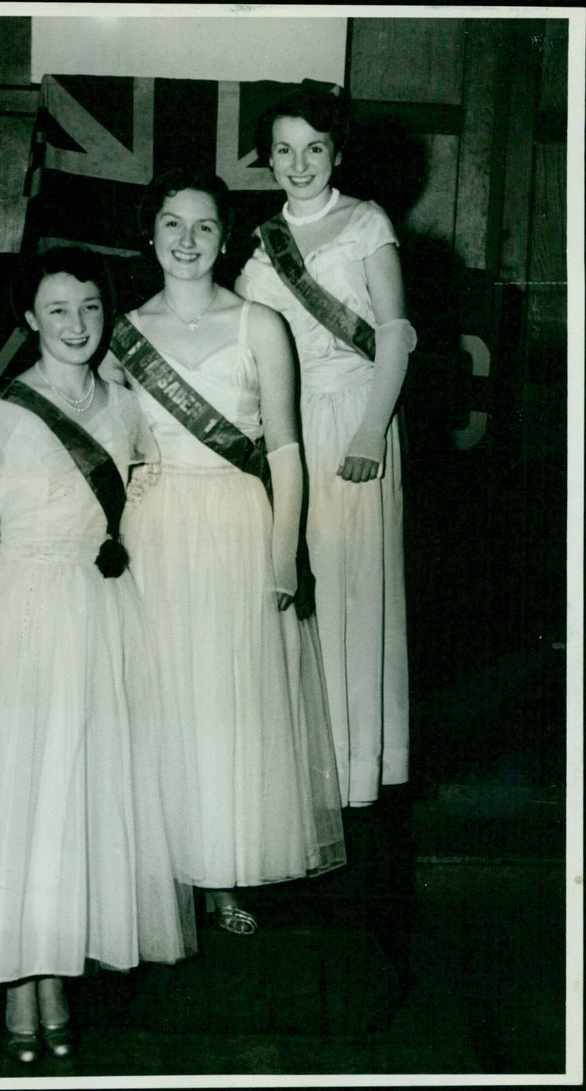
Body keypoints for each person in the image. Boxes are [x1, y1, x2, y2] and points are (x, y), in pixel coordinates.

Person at [0, 246, 194, 1065]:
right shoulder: (1, 412)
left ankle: (54, 975)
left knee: (77, 799)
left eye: (91, 308)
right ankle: (17, 981)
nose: (76, 325)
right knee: (20, 797)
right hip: (18, 613)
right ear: (30, 318)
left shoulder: (128, 407)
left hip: (100, 617)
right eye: (58, 309)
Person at [100, 167, 346, 935]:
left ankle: (221, 872)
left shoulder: (259, 325)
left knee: (227, 703)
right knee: (161, 699)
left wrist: (283, 561)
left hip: (239, 527)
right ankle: (163, 870)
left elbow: (286, 455)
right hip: (158, 530)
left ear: (225, 237)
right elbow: (101, 441)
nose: (187, 240)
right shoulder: (123, 334)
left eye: (204, 226)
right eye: (172, 224)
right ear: (150, 234)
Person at [236, 86, 418, 809]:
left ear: (337, 152)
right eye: (284, 149)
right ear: (268, 157)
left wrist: (372, 428)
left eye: (315, 147)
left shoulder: (366, 221)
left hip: (358, 418)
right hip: (289, 427)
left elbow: (396, 334)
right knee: (294, 586)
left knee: (352, 588)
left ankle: (356, 774)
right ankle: (303, 771)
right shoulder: (258, 245)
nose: (299, 163)